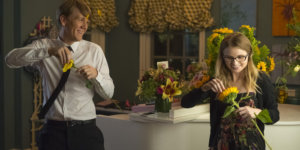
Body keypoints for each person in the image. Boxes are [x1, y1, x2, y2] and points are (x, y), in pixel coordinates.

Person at [5, 0, 114, 150]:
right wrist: (48, 52)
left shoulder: (94, 51)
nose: (85, 25)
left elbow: (109, 93)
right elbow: (10, 59)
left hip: (86, 133)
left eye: (87, 21)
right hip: (52, 134)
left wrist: (97, 75)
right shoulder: (44, 46)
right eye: (80, 19)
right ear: (64, 20)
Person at [181, 32, 279, 150]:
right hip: (222, 145)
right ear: (222, 57)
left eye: (240, 57)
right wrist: (204, 88)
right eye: (229, 58)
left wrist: (256, 112)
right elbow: (185, 103)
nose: (235, 63)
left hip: (252, 146)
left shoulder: (260, 79)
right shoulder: (217, 81)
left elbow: (274, 115)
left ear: (249, 55)